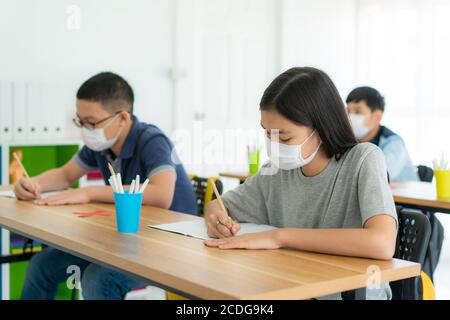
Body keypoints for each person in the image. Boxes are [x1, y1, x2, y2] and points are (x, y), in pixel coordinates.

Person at [203, 67, 398, 300]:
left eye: (284, 137)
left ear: (322, 127)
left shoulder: (364, 159)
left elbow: (382, 243)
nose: (273, 144)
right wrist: (217, 219)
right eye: (267, 133)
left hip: (352, 293)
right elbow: (220, 206)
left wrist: (279, 237)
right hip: (289, 287)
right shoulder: (276, 170)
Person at [14, 72, 197, 300]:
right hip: (124, 238)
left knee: (97, 279)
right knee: (41, 266)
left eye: (91, 122)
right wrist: (31, 183)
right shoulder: (102, 144)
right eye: (81, 121)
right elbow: (64, 174)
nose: (86, 129)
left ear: (122, 118)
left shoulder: (152, 140)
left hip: (167, 245)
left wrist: (89, 193)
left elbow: (161, 194)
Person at [346, 86, 418, 182]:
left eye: (357, 111)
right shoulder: (351, 141)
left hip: (402, 196)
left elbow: (381, 175)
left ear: (377, 117)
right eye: (348, 111)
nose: (350, 117)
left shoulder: (393, 142)